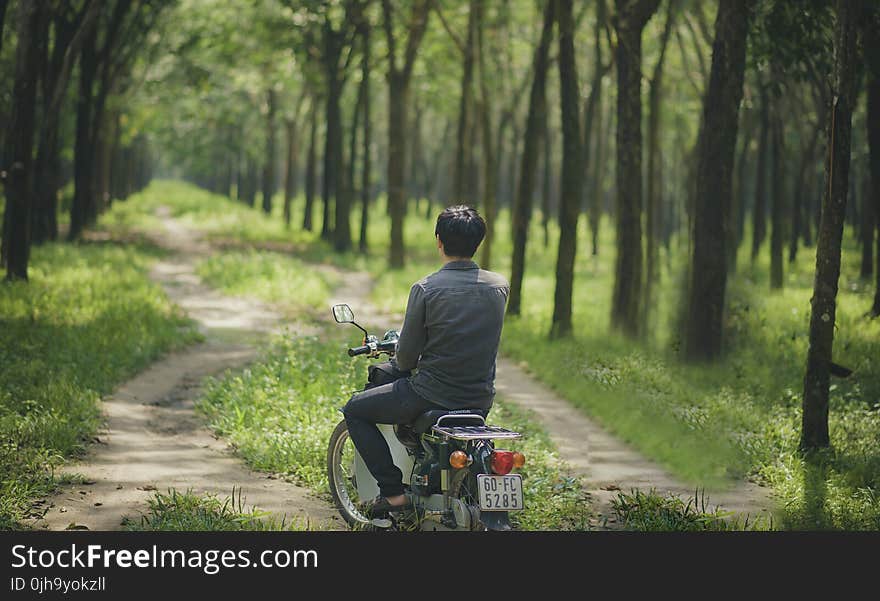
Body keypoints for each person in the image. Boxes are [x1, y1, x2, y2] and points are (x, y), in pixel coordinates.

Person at [342, 205, 510, 517]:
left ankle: (393, 495)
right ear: (479, 242)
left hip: (430, 394)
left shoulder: (426, 288)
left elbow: (405, 359)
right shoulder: (499, 286)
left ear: (438, 241)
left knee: (355, 409)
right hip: (479, 398)